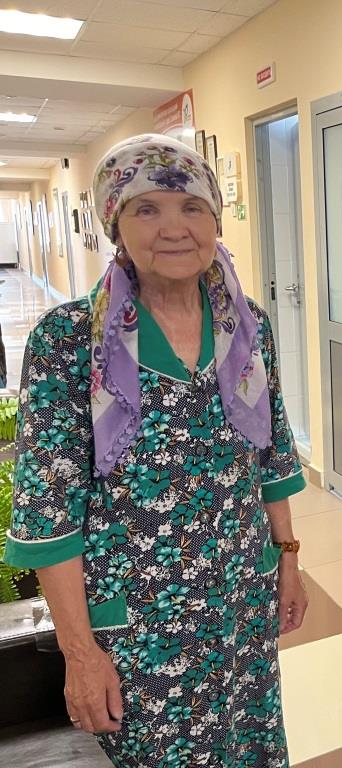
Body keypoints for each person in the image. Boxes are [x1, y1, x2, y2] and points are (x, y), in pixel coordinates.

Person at [3, 134, 308, 766]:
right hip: (141, 627)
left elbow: (271, 457)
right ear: (115, 224)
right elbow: (48, 515)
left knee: (252, 745)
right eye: (147, 209)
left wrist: (288, 560)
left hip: (240, 602)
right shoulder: (69, 342)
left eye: (192, 207)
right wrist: (80, 654)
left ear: (214, 220)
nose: (174, 228)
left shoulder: (246, 324)